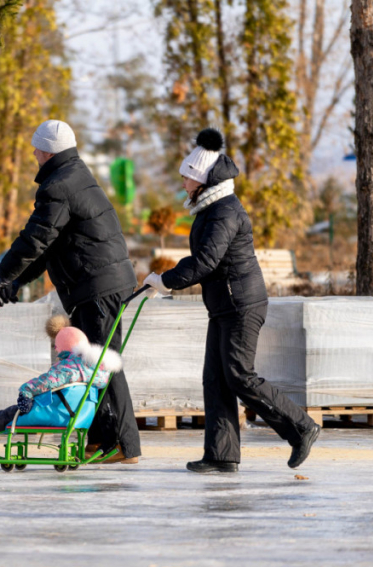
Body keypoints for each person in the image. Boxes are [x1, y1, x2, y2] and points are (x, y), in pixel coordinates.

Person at [144, 128, 321, 473]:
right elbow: (204, 260)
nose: (182, 183)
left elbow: (206, 260)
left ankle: (301, 426)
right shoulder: (210, 208)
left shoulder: (224, 211)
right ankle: (222, 455)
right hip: (224, 305)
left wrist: (165, 280)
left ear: (202, 178)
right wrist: (162, 280)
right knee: (215, 378)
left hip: (241, 304)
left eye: (186, 177)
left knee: (240, 375)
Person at [0, 119, 140, 464]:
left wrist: (3, 272)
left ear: (47, 150)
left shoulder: (58, 186)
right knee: (91, 364)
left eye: (36, 149)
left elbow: (35, 240)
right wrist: (15, 282)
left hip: (97, 286)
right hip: (96, 284)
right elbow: (50, 248)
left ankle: (122, 445)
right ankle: (102, 439)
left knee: (101, 364)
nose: (33, 154)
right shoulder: (75, 177)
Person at [0, 315, 122, 440]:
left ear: (63, 347)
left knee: (13, 413)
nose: (56, 351)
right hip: (78, 416)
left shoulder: (69, 367)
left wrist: (26, 391)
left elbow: (47, 382)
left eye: (57, 347)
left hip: (56, 414)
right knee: (13, 412)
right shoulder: (94, 370)